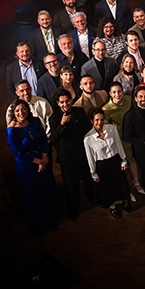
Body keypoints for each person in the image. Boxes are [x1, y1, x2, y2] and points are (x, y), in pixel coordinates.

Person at [7, 99, 63, 232]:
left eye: (23, 109)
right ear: (13, 113)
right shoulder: (12, 131)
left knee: (48, 187)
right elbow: (18, 153)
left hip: (42, 158)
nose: (21, 113)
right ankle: (42, 224)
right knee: (35, 194)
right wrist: (38, 162)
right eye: (18, 111)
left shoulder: (35, 121)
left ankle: (54, 214)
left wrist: (44, 157)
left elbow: (44, 139)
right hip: (27, 166)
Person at [49, 89, 94, 220]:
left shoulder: (79, 111)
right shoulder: (54, 118)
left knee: (88, 179)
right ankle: (73, 210)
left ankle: (92, 199)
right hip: (67, 157)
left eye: (67, 101)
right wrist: (62, 124)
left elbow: (86, 129)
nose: (65, 104)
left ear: (71, 100)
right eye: (62, 102)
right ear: (58, 103)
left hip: (82, 153)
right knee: (70, 185)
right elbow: (55, 138)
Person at [83, 109, 132, 218]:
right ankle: (113, 207)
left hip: (115, 161)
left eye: (101, 120)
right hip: (102, 165)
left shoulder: (111, 129)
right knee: (107, 188)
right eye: (96, 120)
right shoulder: (88, 139)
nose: (99, 122)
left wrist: (123, 160)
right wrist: (93, 172)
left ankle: (126, 201)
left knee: (122, 183)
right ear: (92, 121)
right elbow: (90, 157)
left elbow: (119, 144)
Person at [103, 82, 142, 196]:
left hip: (131, 134)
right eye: (114, 92)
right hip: (117, 138)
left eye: (119, 91)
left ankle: (137, 183)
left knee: (132, 159)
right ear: (110, 93)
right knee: (122, 164)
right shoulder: (106, 109)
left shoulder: (129, 101)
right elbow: (107, 128)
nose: (117, 94)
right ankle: (127, 189)